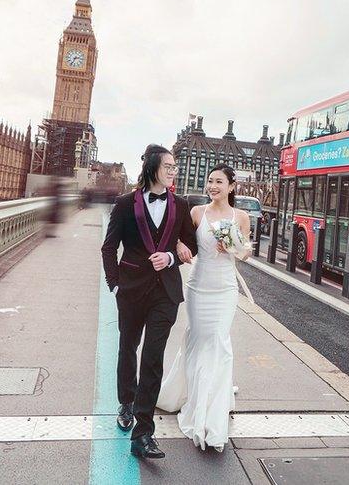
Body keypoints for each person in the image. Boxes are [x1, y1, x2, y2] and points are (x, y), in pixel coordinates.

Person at [100, 144, 197, 459]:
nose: (173, 171)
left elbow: (191, 245)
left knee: (153, 357)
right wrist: (114, 285)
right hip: (130, 290)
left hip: (165, 294)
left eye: (175, 166)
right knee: (128, 348)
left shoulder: (180, 205)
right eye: (168, 166)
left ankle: (143, 433)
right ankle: (126, 402)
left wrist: (171, 256)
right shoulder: (126, 204)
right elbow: (108, 247)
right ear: (153, 167)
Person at [157, 164, 252, 453]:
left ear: (231, 187)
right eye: (210, 181)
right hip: (198, 287)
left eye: (219, 182)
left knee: (219, 343)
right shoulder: (197, 213)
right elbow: (175, 237)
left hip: (224, 290)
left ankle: (212, 411)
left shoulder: (241, 217)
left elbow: (247, 252)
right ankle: (195, 402)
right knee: (197, 343)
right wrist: (179, 246)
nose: (213, 186)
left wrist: (235, 247)